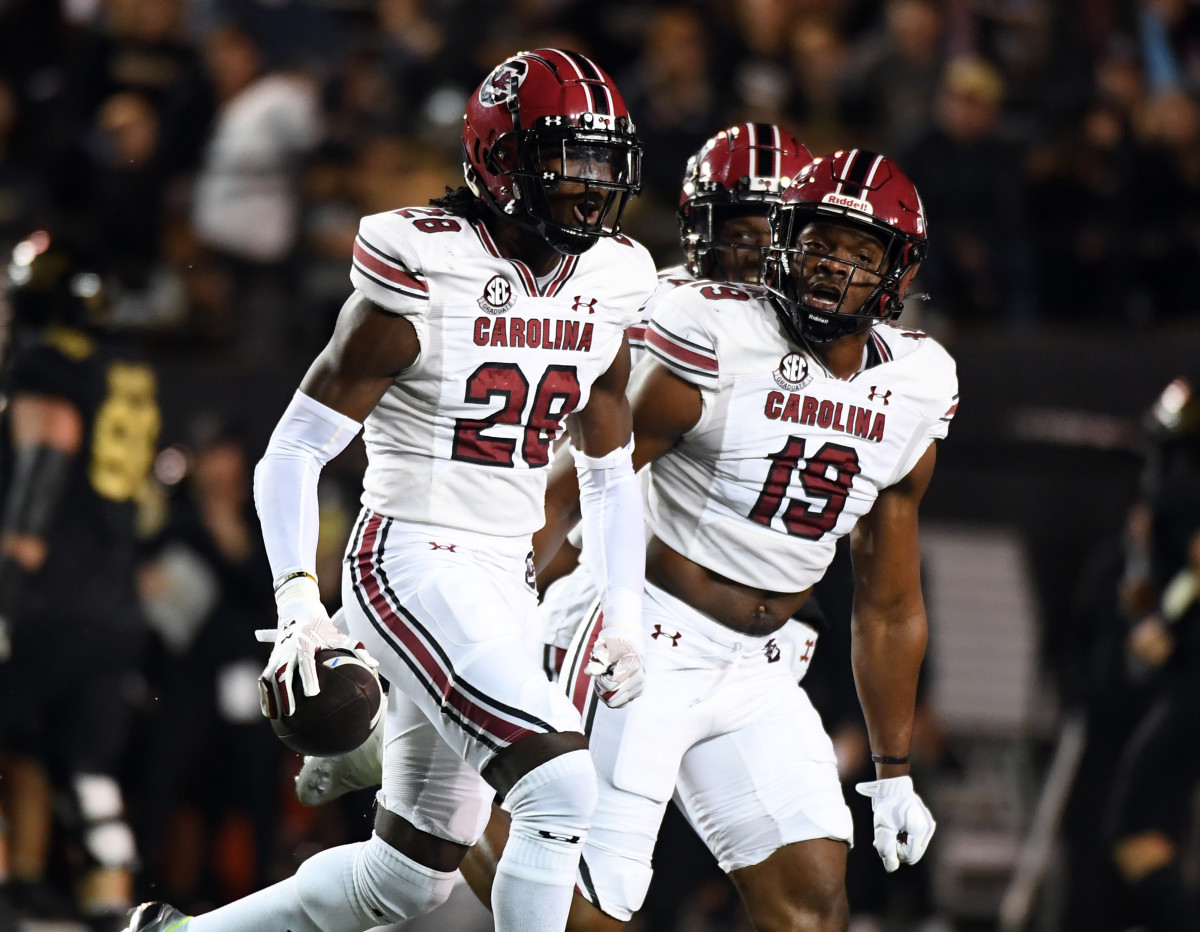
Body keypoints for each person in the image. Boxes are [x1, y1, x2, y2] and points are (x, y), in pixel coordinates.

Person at [123, 47, 657, 932]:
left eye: (603, 162)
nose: (589, 184)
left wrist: (626, 612)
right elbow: (292, 451)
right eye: (567, 159)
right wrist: (299, 599)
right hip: (408, 555)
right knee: (560, 787)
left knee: (408, 880)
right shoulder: (427, 272)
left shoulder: (610, 282)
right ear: (502, 159)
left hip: (503, 574)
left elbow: (606, 470)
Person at [528, 147, 954, 931]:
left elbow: (889, 603)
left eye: (863, 254)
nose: (836, 268)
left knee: (814, 902)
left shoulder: (915, 388)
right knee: (590, 910)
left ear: (898, 272)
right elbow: (578, 483)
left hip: (761, 668)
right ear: (785, 241)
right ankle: (467, 810)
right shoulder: (719, 336)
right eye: (823, 243)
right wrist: (484, 607)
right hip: (641, 636)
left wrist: (893, 770)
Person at [0, 230, 161, 932]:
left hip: (48, 596)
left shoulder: (45, 364)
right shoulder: (128, 366)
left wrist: (9, 579)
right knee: (85, 765)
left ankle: (16, 885)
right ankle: (108, 904)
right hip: (113, 601)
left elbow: (42, 472)